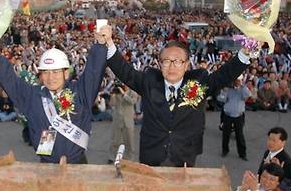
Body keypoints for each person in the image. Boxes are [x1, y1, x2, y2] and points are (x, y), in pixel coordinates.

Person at [105, 28, 249, 167]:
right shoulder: (149, 82)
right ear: (160, 64)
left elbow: (225, 74)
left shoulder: (197, 85)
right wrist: (108, 42)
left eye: (178, 61)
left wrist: (246, 51)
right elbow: (125, 71)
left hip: (185, 155)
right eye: (166, 61)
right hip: (152, 154)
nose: (172, 66)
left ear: (186, 65)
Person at [0, 30, 107, 164]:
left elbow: (93, 72)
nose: (51, 78)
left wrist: (101, 45)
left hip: (78, 164)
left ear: (66, 73)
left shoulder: (80, 92)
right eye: (46, 72)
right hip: (46, 164)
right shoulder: (33, 96)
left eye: (56, 72)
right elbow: (11, 82)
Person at [219, 77, 252, 161]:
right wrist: (225, 91)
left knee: (239, 135)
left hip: (239, 115)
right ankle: (225, 150)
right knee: (226, 134)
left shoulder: (243, 89)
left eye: (238, 80)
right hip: (227, 115)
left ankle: (242, 154)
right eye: (235, 80)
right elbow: (221, 99)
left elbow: (247, 96)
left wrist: (242, 86)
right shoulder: (228, 89)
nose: (236, 82)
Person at [109, 83, 137, 161]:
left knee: (129, 140)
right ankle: (112, 157)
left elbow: (132, 102)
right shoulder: (117, 92)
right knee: (115, 139)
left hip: (128, 119)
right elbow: (112, 104)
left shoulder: (133, 92)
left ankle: (130, 157)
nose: (123, 84)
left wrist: (124, 94)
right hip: (117, 119)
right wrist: (113, 96)